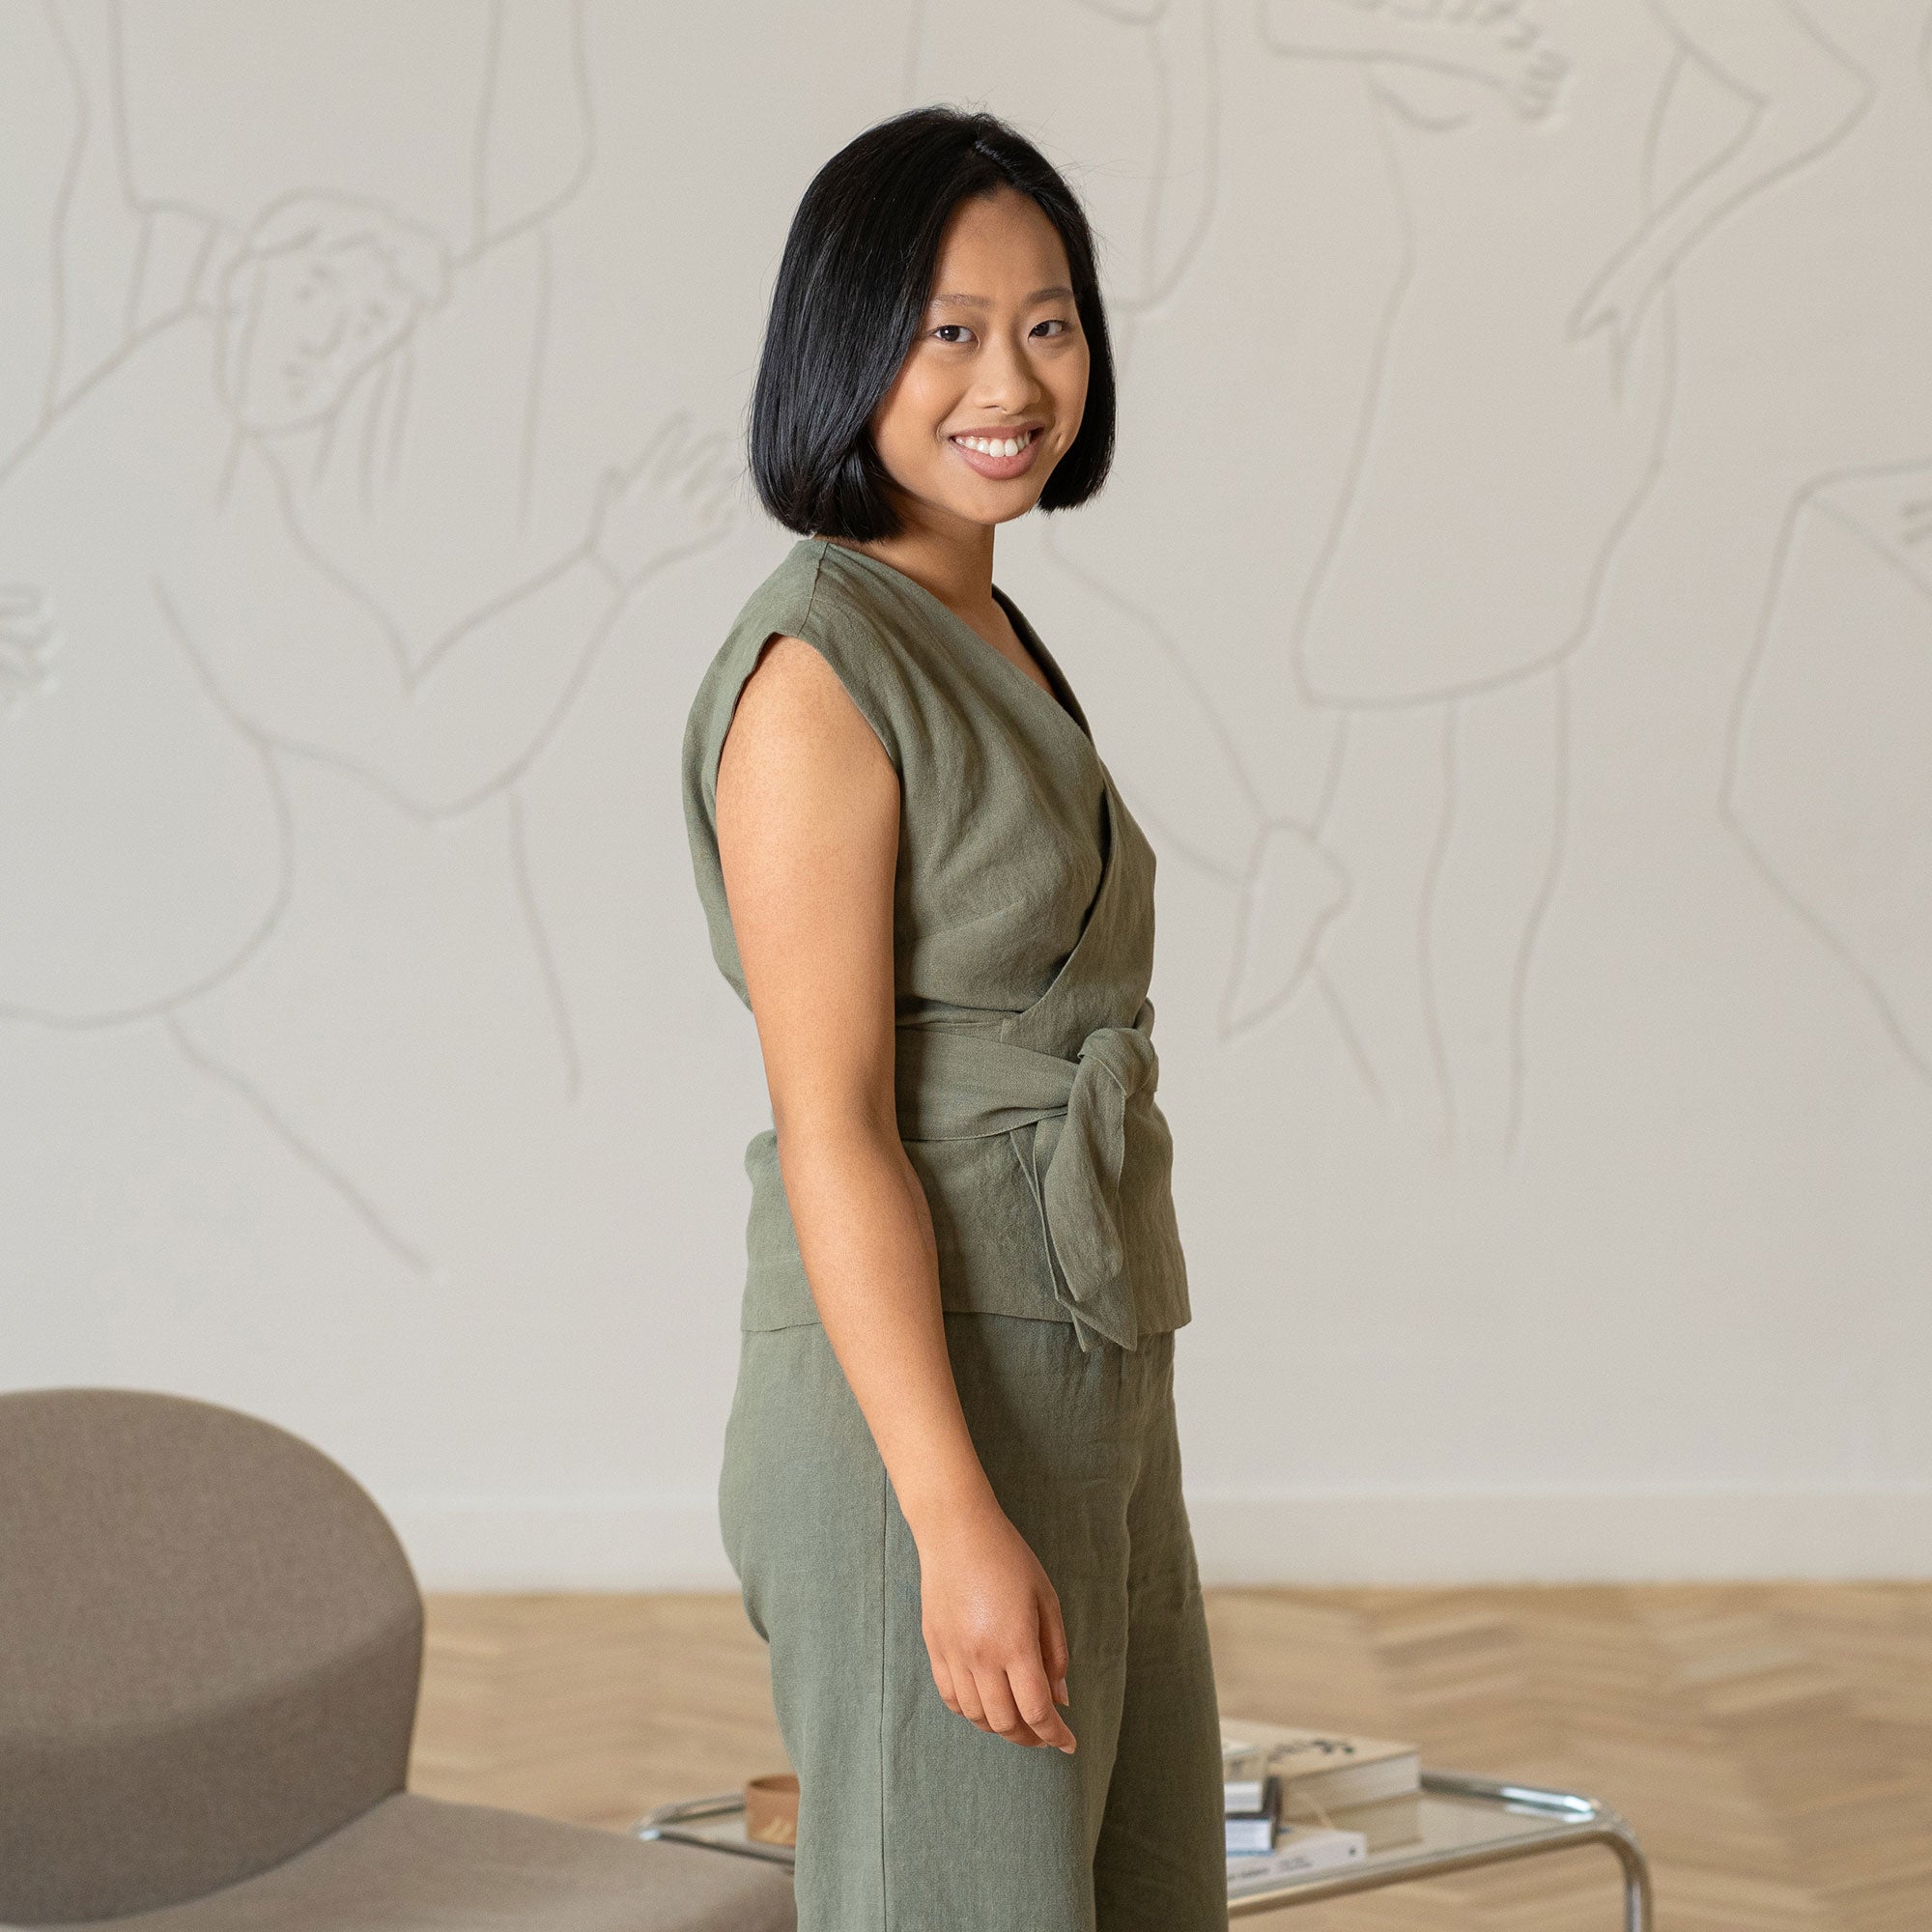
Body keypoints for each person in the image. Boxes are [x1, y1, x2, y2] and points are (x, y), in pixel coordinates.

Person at [679, 105, 1227, 1930]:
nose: (1014, 380)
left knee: (1146, 1895)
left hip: (1085, 1360)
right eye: (950, 331)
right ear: (844, 348)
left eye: (1049, 323)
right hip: (919, 1416)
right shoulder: (816, 674)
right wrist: (949, 1515)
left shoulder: (983, 625)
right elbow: (834, 1123)